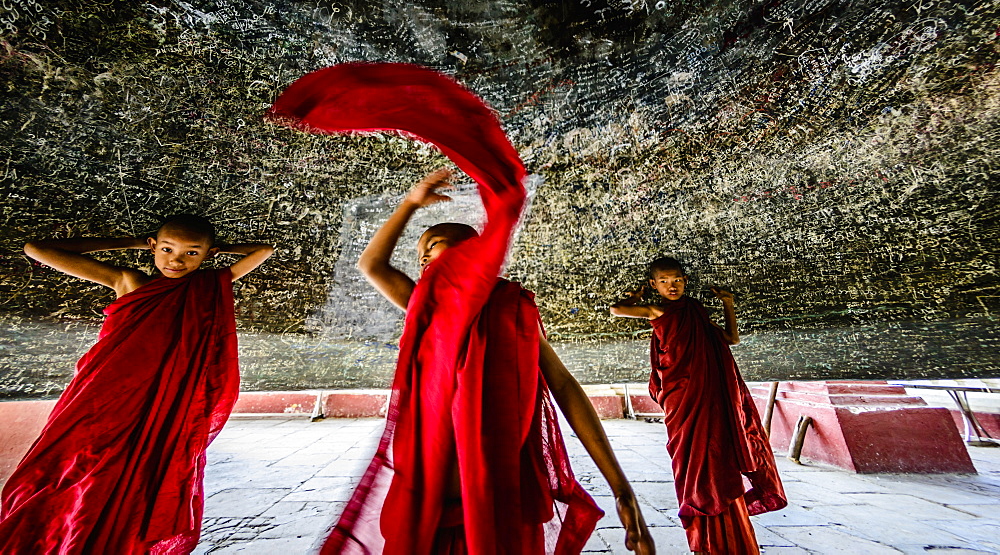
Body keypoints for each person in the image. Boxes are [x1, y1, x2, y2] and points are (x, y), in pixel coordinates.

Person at [325, 169, 654, 555]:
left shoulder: (512, 307)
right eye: (421, 256)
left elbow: (564, 387)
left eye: (435, 244)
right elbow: (372, 265)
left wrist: (622, 489)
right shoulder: (426, 306)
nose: (426, 256)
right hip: (428, 501)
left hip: (498, 498)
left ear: (475, 250)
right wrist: (409, 204)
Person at [0, 214, 273, 555]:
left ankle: (103, 540)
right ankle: (48, 532)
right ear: (153, 247)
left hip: (161, 402)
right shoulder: (129, 280)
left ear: (208, 255)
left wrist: (217, 252)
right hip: (101, 393)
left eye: (191, 253)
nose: (175, 260)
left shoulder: (207, 285)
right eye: (167, 249)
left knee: (134, 473)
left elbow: (263, 250)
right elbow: (37, 248)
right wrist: (130, 242)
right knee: (69, 463)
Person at [610, 258, 786, 555]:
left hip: (714, 398)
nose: (672, 285)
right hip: (683, 401)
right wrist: (634, 298)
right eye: (664, 281)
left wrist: (728, 304)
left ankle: (726, 534)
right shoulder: (659, 310)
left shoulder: (696, 312)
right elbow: (616, 309)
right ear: (654, 285)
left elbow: (730, 338)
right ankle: (707, 533)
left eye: (677, 279)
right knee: (693, 461)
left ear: (686, 280)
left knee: (718, 456)